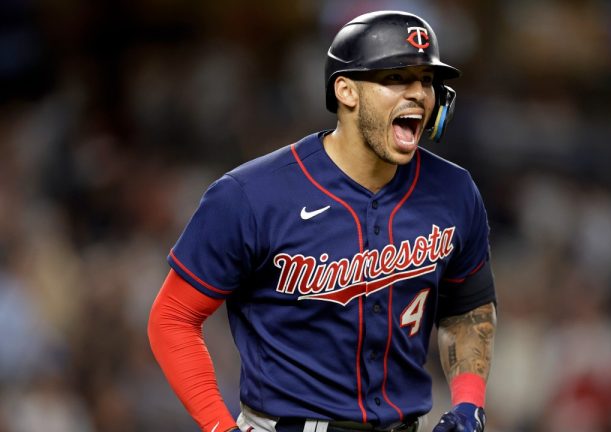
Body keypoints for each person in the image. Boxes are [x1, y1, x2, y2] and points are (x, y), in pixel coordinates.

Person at [147, 10, 496, 432]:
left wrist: (469, 404)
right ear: (346, 90)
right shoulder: (251, 194)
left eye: (426, 80)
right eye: (397, 78)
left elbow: (468, 308)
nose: (419, 93)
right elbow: (173, 319)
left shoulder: (454, 191)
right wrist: (219, 427)